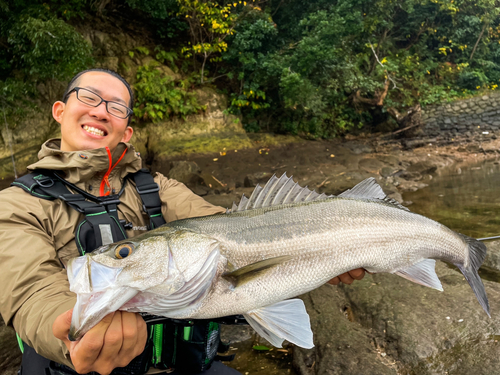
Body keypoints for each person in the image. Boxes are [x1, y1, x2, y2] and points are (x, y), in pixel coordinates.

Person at [0, 69, 365, 375]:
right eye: (89, 97)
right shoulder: (14, 204)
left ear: (126, 132)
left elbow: (229, 228)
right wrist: (66, 325)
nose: (100, 112)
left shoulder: (158, 187)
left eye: (116, 107)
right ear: (60, 110)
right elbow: (28, 290)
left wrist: (315, 254)